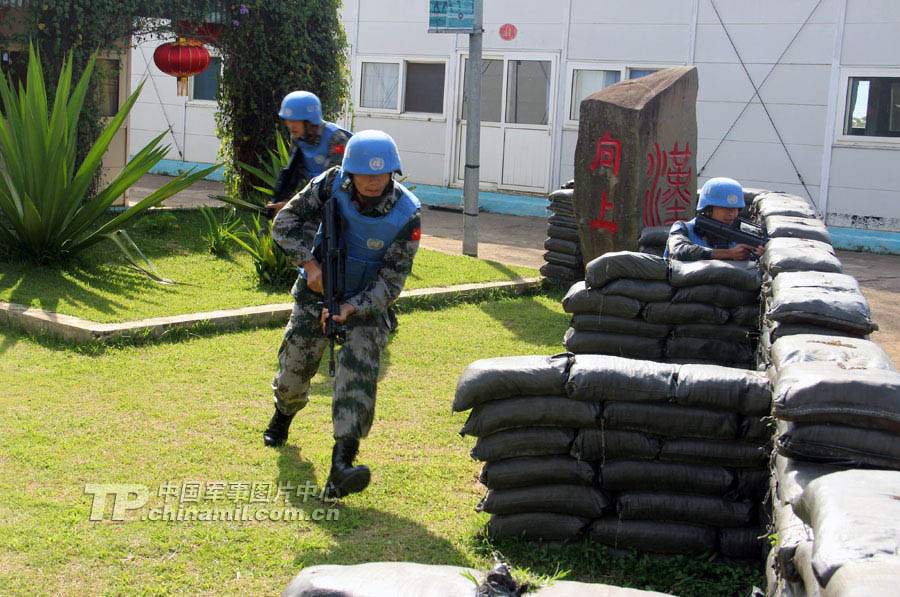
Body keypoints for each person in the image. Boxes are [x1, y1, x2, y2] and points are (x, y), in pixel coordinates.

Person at [264, 130, 421, 499]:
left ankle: (343, 463)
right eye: (363, 173)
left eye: (380, 175)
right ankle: (283, 414)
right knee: (293, 372)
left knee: (357, 377)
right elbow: (283, 224)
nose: (371, 181)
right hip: (315, 294)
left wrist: (354, 307)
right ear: (349, 171)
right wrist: (310, 264)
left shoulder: (407, 214)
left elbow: (391, 281)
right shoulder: (329, 184)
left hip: (366, 306)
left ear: (393, 174)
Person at [268, 90, 352, 216]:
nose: (290, 126)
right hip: (318, 200)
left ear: (310, 121)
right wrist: (280, 200)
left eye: (295, 121)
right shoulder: (299, 138)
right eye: (288, 120)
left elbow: (332, 186)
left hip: (341, 203)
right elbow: (293, 175)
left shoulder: (336, 139)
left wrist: (290, 206)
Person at [665, 177, 765, 261]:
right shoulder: (683, 228)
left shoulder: (744, 233)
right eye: (725, 208)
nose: (731, 214)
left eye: (735, 209)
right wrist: (728, 254)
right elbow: (677, 251)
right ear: (708, 209)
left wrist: (758, 257)